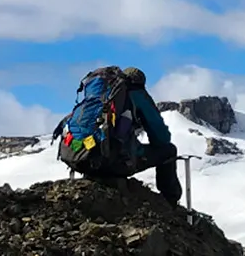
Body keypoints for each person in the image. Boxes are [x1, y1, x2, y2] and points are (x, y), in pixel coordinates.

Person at [54, 66, 182, 205]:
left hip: (79, 158)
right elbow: (161, 137)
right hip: (113, 162)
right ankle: (170, 203)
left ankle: (94, 171)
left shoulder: (97, 97)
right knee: (169, 151)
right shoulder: (136, 93)